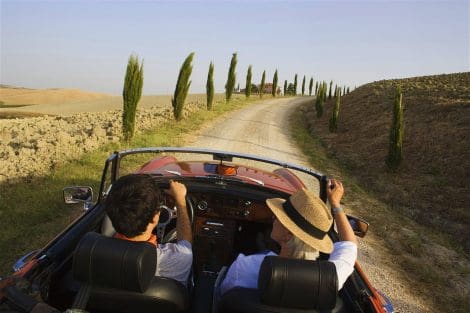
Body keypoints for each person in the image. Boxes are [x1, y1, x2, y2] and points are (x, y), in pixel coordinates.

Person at [219, 179, 357, 295]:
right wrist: (336, 204)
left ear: (288, 235)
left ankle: (261, 245)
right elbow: (350, 247)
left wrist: (335, 203)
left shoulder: (245, 266)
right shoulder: (331, 279)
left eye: (280, 218)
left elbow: (222, 297)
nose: (273, 218)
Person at [105, 174, 192, 286]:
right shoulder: (179, 258)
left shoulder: (93, 253)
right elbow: (186, 244)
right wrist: (180, 200)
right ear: (155, 218)